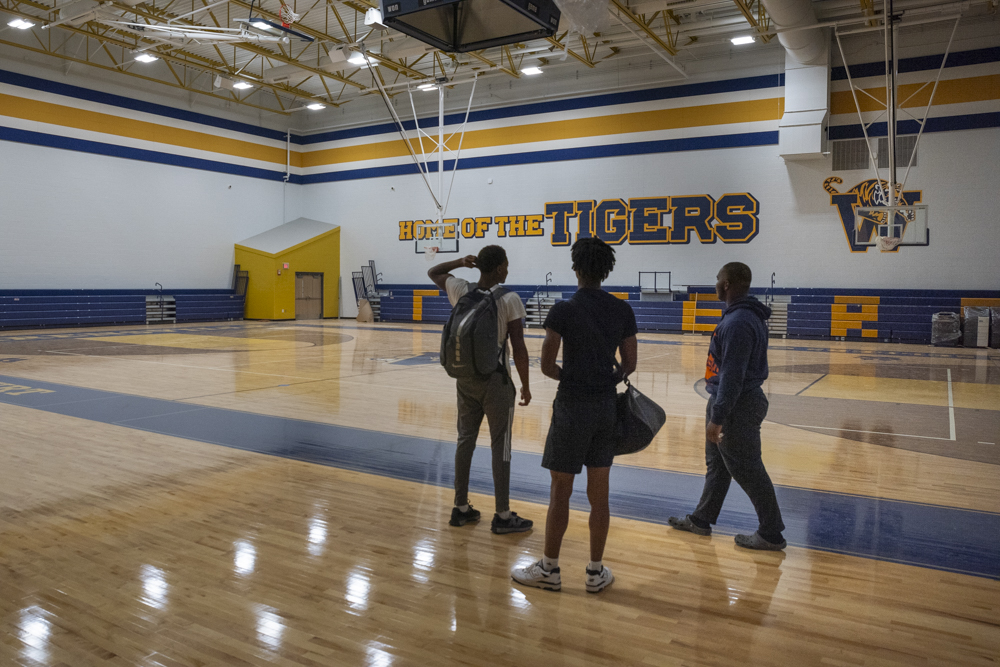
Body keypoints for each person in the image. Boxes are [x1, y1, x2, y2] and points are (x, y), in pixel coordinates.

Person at [511, 238, 637, 593]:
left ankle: (550, 568)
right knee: (600, 495)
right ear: (606, 270)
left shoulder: (562, 310)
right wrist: (604, 379)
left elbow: (547, 364)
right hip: (605, 407)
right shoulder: (622, 310)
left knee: (560, 492)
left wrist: (573, 378)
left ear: (576, 269)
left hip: (571, 407)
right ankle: (595, 573)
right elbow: (629, 364)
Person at [668, 262, 786, 550]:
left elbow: (733, 375)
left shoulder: (738, 323)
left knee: (748, 469)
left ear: (728, 284)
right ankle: (701, 519)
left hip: (737, 406)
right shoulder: (742, 317)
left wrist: (718, 416)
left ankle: (771, 533)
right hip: (729, 400)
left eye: (718, 279)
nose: (716, 284)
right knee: (718, 466)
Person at [428, 246, 534, 534]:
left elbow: (434, 272)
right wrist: (524, 385)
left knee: (465, 441)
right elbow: (519, 349)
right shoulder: (509, 299)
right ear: (499, 268)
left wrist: (462, 263)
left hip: (465, 381)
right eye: (506, 264)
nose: (508, 269)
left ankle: (460, 508)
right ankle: (502, 514)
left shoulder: (462, 290)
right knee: (501, 446)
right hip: (496, 383)